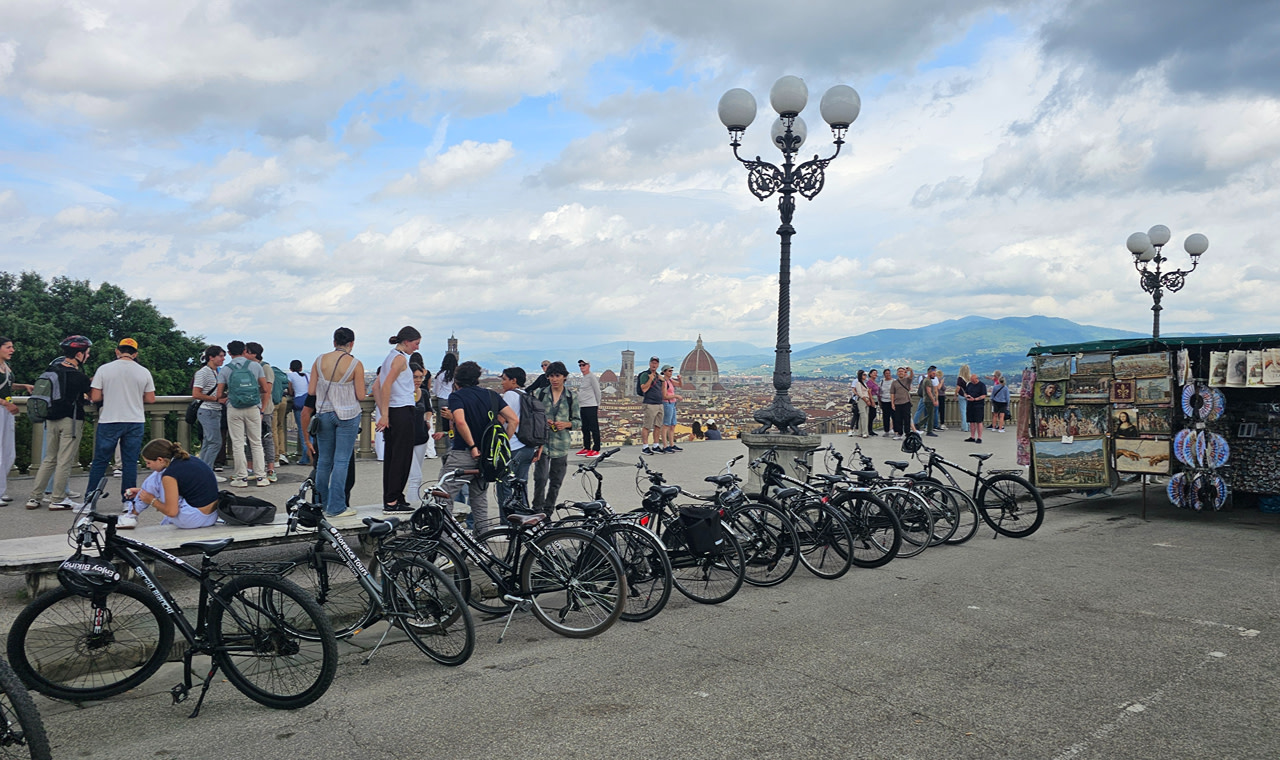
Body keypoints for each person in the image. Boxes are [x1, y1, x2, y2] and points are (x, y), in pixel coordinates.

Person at [446, 360, 517, 529]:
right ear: (477, 378)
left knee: (444, 496)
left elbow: (461, 422)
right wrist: (501, 444)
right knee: (479, 500)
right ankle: (482, 541)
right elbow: (514, 420)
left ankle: (445, 544)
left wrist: (472, 446)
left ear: (457, 381)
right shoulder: (492, 395)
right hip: (487, 456)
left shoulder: (457, 396)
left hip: (463, 453)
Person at [86, 338, 156, 508]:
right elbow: (150, 399)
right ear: (135, 353)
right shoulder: (143, 371)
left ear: (117, 351)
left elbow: (95, 397)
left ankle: (90, 501)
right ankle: (128, 501)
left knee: (100, 462)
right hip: (135, 420)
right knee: (130, 462)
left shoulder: (104, 369)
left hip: (110, 419)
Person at [304, 327, 366, 518]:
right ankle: (337, 506)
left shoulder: (319, 360)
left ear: (334, 342)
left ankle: (320, 504)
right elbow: (361, 395)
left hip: (324, 413)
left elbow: (312, 390)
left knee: (323, 461)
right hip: (347, 414)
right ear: (352, 343)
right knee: (341, 461)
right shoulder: (355, 364)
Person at [27, 336, 93, 510]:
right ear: (79, 354)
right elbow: (93, 396)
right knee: (64, 460)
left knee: (49, 459)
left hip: (51, 420)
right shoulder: (79, 376)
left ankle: (34, 497)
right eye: (87, 353)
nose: (88, 356)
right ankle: (57, 499)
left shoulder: (52, 369)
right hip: (70, 421)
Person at [121, 439, 220, 530]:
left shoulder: (169, 475)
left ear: (160, 460)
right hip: (212, 516)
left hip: (192, 519)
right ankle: (134, 511)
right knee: (158, 477)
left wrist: (151, 500)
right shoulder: (189, 459)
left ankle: (131, 515)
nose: (147, 466)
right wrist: (141, 492)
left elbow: (171, 512)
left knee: (157, 477)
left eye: (148, 463)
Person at [376, 326, 422, 512]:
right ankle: (393, 499)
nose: (417, 348)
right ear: (406, 342)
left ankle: (394, 497)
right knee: (401, 458)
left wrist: (383, 411)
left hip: (395, 411)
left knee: (393, 456)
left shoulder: (390, 357)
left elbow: (379, 386)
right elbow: (386, 385)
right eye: (416, 343)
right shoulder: (400, 359)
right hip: (401, 410)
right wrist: (384, 414)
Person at [215, 340, 268, 488]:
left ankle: (241, 478)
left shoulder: (226, 369)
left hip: (234, 407)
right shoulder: (255, 366)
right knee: (256, 442)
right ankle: (261, 477)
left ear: (229, 352)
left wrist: (228, 397)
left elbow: (219, 394)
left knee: (238, 443)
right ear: (244, 350)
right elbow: (264, 388)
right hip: (253, 407)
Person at [533, 361, 580, 513]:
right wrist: (542, 421)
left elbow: (578, 421)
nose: (554, 379)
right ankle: (537, 509)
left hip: (561, 443)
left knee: (556, 481)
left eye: (557, 376)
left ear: (564, 377)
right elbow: (532, 417)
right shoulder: (540, 394)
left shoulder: (571, 397)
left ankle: (548, 511)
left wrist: (566, 424)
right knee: (540, 478)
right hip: (542, 443)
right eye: (551, 376)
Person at [496, 366, 536, 517]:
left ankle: (507, 524)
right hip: (527, 447)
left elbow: (502, 420)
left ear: (514, 381)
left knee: (504, 486)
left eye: (504, 379)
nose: (502, 383)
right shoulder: (526, 395)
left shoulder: (510, 396)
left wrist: (503, 442)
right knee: (521, 487)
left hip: (512, 447)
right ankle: (525, 522)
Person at [0, 337, 35, 504]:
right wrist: (5, 403)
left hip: (6, 410)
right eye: (8, 347)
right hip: (3, 407)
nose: (12, 350)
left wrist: (24, 386)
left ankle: (1, 488)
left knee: (8, 452)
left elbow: (8, 385)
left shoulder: (5, 366)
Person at [244, 342, 277, 483]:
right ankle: (250, 468)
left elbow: (267, 391)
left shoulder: (265, 368)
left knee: (266, 438)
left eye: (246, 352)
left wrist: (262, 410)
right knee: (250, 439)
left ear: (253, 354)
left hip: (264, 409)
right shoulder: (249, 367)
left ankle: (270, 468)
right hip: (251, 407)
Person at [404, 353, 433, 505]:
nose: (418, 380)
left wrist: (426, 419)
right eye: (415, 377)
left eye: (420, 377)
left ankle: (413, 501)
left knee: (416, 474)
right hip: (407, 438)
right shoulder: (402, 393)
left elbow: (429, 409)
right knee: (416, 476)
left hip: (421, 437)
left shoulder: (424, 393)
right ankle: (415, 506)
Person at [191, 345, 226, 469]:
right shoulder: (203, 373)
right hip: (207, 410)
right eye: (221, 356)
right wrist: (216, 399)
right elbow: (196, 394)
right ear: (211, 357)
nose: (223, 359)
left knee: (208, 441)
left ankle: (202, 469)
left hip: (214, 410)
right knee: (215, 442)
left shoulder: (217, 372)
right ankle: (208, 470)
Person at [575, 359, 602, 457]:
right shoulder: (584, 378)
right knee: (585, 427)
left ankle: (596, 448)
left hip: (591, 405)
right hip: (583, 405)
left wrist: (597, 404)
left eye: (584, 365)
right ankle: (586, 447)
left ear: (588, 366)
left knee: (593, 427)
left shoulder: (592, 377)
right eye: (580, 365)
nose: (582, 367)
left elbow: (597, 391)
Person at [638, 356, 664, 455]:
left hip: (659, 404)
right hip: (650, 404)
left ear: (658, 365)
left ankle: (655, 446)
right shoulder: (645, 375)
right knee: (647, 426)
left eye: (656, 363)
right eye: (652, 363)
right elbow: (644, 389)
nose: (654, 365)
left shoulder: (658, 376)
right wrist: (650, 379)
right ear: (649, 364)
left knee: (658, 426)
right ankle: (645, 447)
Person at [288, 359, 310, 464]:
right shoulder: (307, 375)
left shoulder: (291, 376)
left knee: (302, 430)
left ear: (291, 368)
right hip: (309, 404)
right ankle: (313, 455)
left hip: (299, 404)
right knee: (311, 431)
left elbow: (290, 390)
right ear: (301, 368)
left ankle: (305, 458)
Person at [433, 352, 458, 443]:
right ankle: (453, 442)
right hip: (454, 400)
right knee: (454, 422)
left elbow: (436, 390)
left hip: (443, 401)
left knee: (445, 426)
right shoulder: (456, 375)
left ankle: (448, 444)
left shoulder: (440, 375)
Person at [660, 365, 682, 452]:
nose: (671, 372)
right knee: (666, 425)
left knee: (672, 425)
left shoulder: (670, 380)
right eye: (669, 371)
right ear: (664, 372)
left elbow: (680, 385)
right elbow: (664, 396)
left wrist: (680, 379)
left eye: (671, 371)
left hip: (672, 404)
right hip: (667, 404)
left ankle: (672, 444)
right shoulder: (664, 382)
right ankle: (665, 446)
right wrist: (676, 396)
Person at [963, 373, 988, 444]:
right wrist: (966, 396)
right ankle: (972, 436)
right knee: (971, 421)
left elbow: (983, 395)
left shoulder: (982, 385)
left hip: (978, 405)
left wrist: (975, 399)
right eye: (971, 380)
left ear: (976, 379)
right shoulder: (969, 384)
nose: (972, 381)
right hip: (970, 405)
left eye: (973, 380)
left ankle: (979, 437)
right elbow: (965, 392)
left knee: (979, 421)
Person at [890, 367, 913, 441]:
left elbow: (911, 376)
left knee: (907, 419)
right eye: (899, 371)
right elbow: (892, 393)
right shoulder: (894, 382)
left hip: (906, 402)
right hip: (897, 403)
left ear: (904, 373)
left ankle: (907, 433)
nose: (900, 373)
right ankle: (899, 433)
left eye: (902, 371)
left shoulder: (907, 380)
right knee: (897, 419)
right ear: (897, 373)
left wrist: (911, 370)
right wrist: (892, 403)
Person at [852, 370, 872, 438]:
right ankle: (864, 432)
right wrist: (866, 401)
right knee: (864, 417)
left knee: (863, 417)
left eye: (865, 375)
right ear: (860, 376)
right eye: (864, 375)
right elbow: (860, 393)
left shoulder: (864, 383)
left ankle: (860, 432)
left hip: (866, 400)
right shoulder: (858, 383)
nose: (865, 376)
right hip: (862, 400)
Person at [955, 363, 971, 433]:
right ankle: (969, 426)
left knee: (963, 412)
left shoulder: (960, 378)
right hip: (969, 396)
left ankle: (964, 427)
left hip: (962, 395)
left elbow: (958, 387)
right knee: (968, 412)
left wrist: (955, 395)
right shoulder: (969, 378)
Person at [879, 366, 895, 436]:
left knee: (894, 416)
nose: (888, 375)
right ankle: (886, 430)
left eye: (889, 373)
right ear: (884, 374)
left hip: (892, 401)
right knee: (886, 417)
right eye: (886, 373)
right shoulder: (882, 382)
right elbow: (879, 391)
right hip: (884, 401)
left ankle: (895, 430)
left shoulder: (894, 381)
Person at [866, 369, 880, 436]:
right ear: (870, 374)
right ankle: (869, 430)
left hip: (875, 399)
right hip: (872, 400)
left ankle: (870, 430)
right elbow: (869, 392)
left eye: (876, 373)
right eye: (874, 373)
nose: (875, 374)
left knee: (872, 415)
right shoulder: (870, 382)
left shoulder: (874, 382)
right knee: (872, 415)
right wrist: (872, 401)